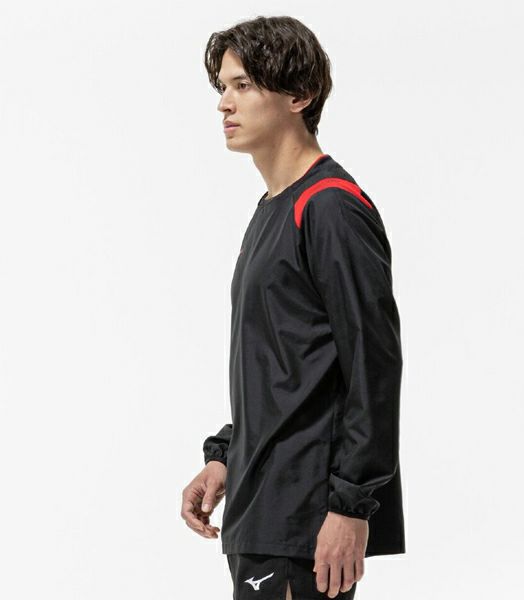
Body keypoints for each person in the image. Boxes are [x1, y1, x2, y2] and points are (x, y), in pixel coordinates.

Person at [181, 15, 405, 600]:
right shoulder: (272, 209)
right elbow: (286, 368)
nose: (224, 103)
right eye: (222, 87)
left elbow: (373, 368)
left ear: (298, 96)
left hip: (304, 516)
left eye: (243, 85)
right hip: (259, 507)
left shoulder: (330, 207)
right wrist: (228, 454)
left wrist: (351, 505)